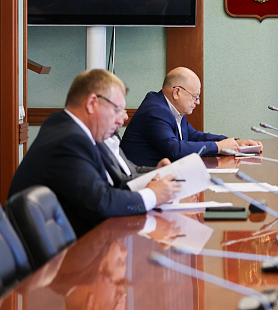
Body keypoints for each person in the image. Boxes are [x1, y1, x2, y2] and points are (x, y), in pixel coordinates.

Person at [8, 69, 180, 237]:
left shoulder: (74, 131)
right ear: (92, 104)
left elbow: (115, 183)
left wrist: (156, 177)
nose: (124, 117)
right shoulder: (69, 140)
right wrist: (152, 195)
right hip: (61, 259)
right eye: (117, 109)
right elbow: (101, 202)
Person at [120, 67, 262, 166]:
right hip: (140, 180)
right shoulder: (156, 111)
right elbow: (174, 149)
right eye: (195, 97)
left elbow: (194, 136)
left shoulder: (170, 108)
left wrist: (234, 142)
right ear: (177, 93)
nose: (198, 102)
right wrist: (218, 147)